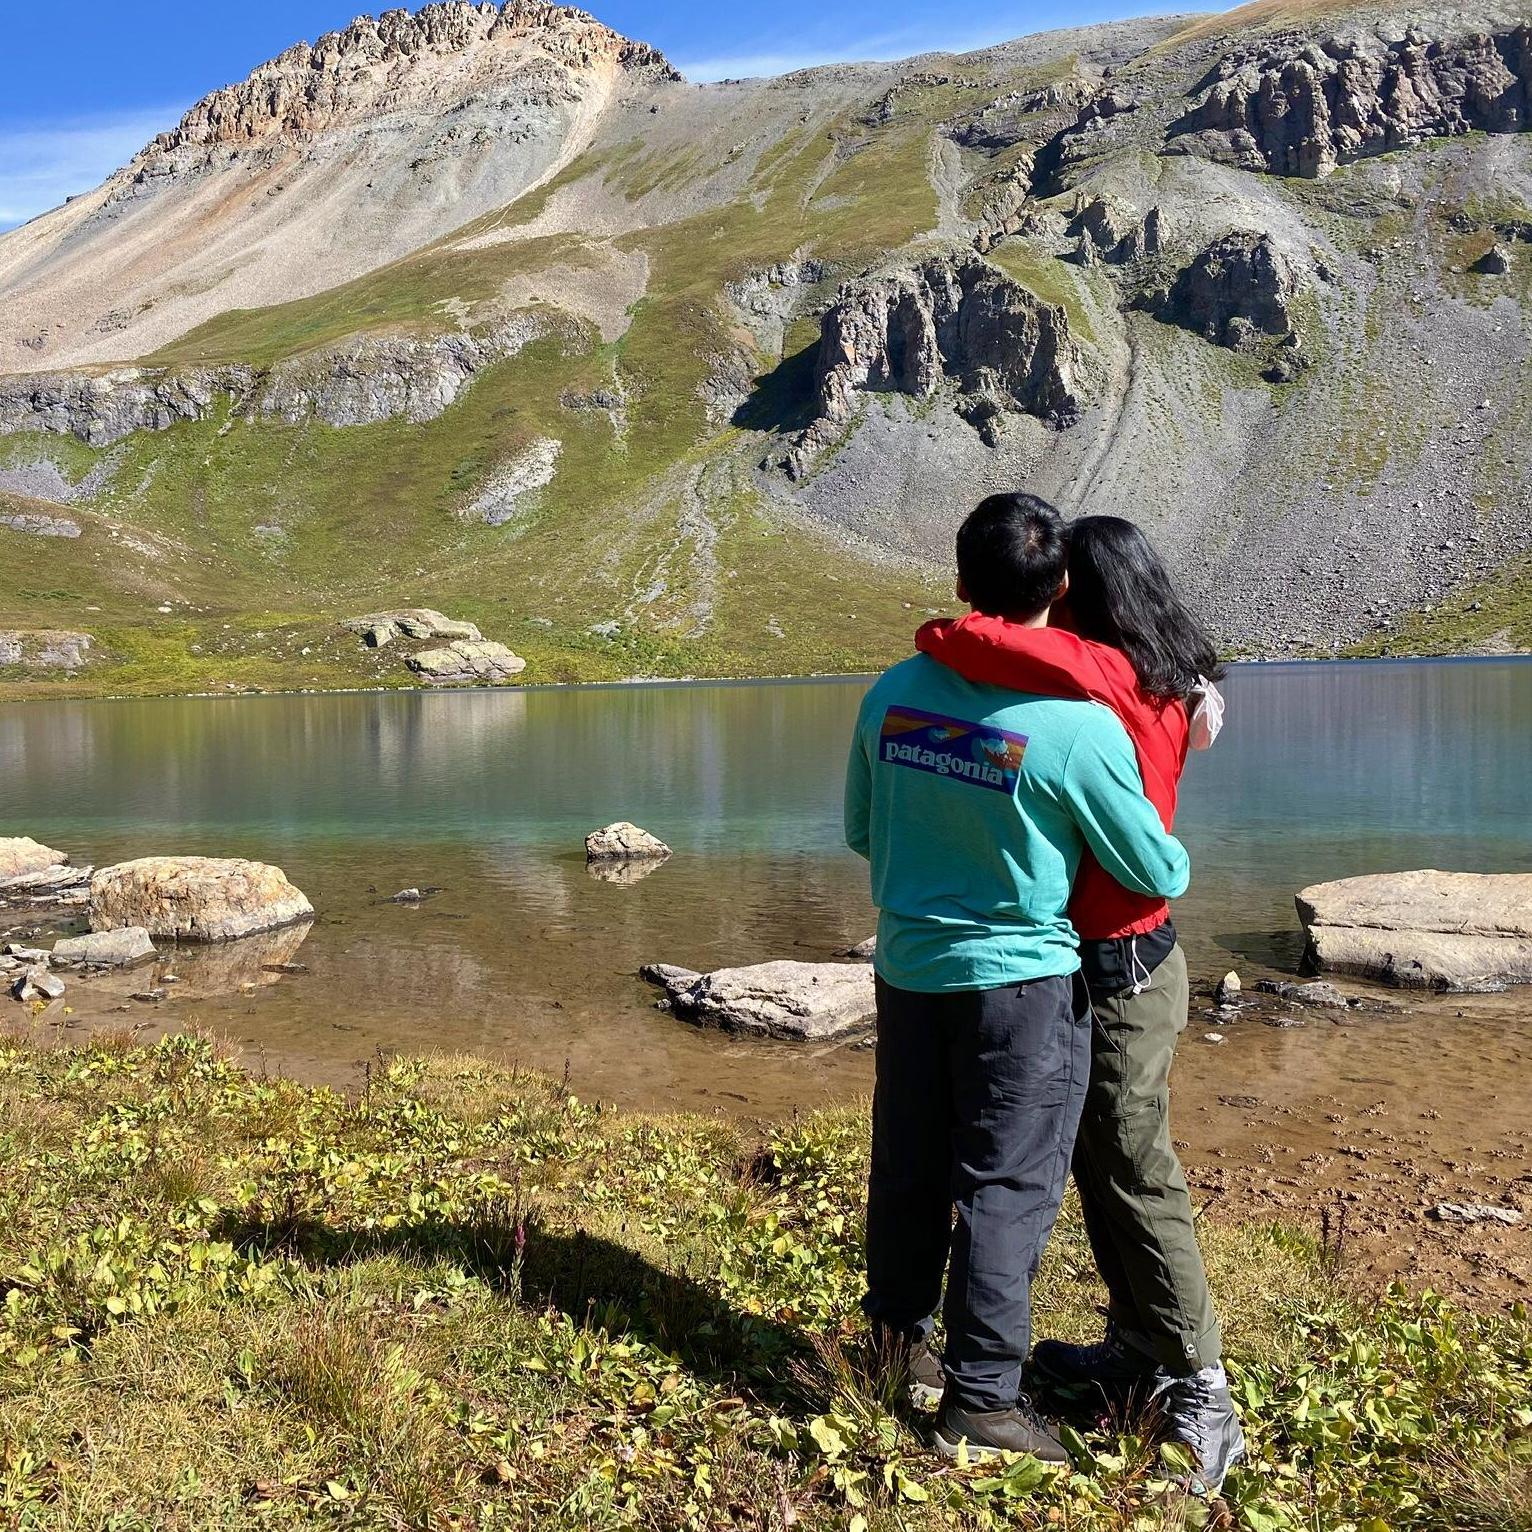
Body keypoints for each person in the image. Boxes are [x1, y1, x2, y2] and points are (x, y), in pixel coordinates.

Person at [844, 493, 1191, 1463]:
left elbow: (861, 832)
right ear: (1062, 590)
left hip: (909, 970)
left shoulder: (888, 694)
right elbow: (1149, 868)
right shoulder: (1076, 730)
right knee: (1005, 1185)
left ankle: (890, 1347)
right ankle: (983, 1399)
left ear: (959, 584)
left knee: (908, 1159)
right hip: (1023, 989)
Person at [914, 514, 1243, 1493]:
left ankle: (1203, 1391)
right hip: (1128, 954)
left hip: (1120, 964)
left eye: (1062, 585)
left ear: (1080, 595)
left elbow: (970, 635)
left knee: (1133, 1161)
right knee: (1103, 1155)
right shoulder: (1172, 681)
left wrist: (936, 635)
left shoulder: (1094, 675)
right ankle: (1139, 1348)